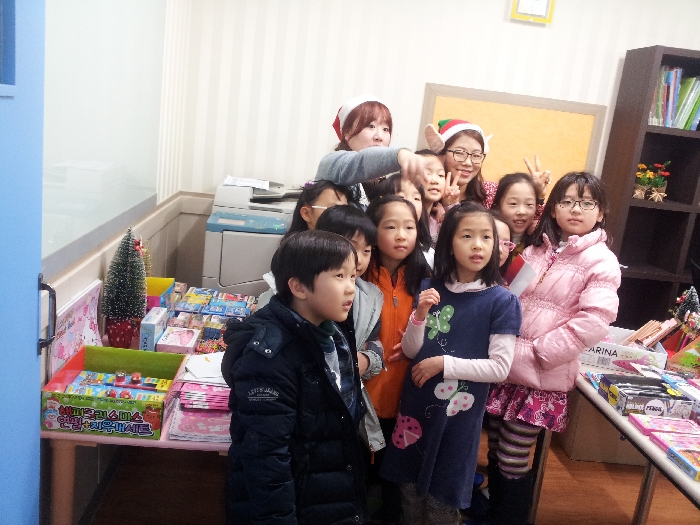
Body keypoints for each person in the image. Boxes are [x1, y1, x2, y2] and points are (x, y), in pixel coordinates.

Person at [485, 172, 621, 525]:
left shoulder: (601, 260)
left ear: (600, 212)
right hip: (505, 366)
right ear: (554, 208)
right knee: (495, 450)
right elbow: (508, 293)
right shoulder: (535, 247)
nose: (576, 209)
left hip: (540, 376)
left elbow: (596, 320)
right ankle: (493, 514)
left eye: (586, 202)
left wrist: (542, 352)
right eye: (567, 201)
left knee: (512, 459)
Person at [378, 202, 521, 525]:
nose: (477, 245)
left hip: (458, 418)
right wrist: (419, 315)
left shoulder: (502, 301)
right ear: (448, 244)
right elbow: (412, 350)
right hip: (416, 408)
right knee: (410, 495)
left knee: (441, 502)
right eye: (467, 236)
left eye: (486, 237)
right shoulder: (431, 288)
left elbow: (499, 368)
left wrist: (444, 363)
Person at [221, 231, 367, 525]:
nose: (351, 288)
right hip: (295, 508)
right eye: (339, 276)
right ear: (299, 287)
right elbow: (268, 460)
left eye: (353, 276)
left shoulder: (331, 333)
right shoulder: (270, 358)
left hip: (327, 496)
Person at [363, 194, 432, 525]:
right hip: (365, 390)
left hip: (406, 394)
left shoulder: (426, 279)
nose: (401, 235)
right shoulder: (359, 274)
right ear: (373, 231)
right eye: (390, 227)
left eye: (409, 227)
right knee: (361, 468)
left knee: (395, 471)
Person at [315, 205, 386, 453]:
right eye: (352, 247)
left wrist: (366, 360)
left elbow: (375, 343)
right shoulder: (293, 291)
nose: (360, 258)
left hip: (348, 397)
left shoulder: (371, 296)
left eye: (367, 250)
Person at [257, 180, 352, 309]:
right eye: (333, 210)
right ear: (307, 213)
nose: (341, 218)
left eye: (345, 211)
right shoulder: (295, 254)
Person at [316, 95, 427, 204]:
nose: (379, 136)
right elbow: (360, 162)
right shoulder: (332, 164)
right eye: (371, 126)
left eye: (385, 129)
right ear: (347, 132)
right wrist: (399, 155)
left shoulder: (386, 182)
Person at [424, 119, 549, 209]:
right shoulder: (424, 191)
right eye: (460, 153)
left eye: (476, 155)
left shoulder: (492, 193)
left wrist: (538, 196)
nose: (468, 162)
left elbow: (529, 225)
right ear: (441, 154)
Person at [373, 174, 434, 267]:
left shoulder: (429, 258)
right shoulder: (365, 263)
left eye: (416, 198)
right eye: (401, 197)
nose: (410, 203)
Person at [491, 173, 541, 259]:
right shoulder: (488, 239)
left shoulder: (540, 241)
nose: (521, 212)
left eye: (529, 204)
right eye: (513, 203)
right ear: (497, 206)